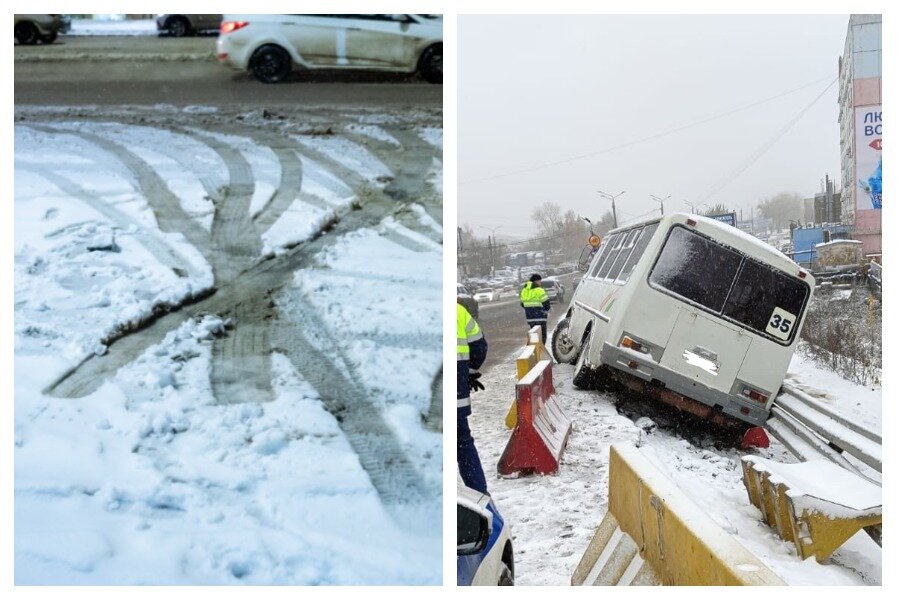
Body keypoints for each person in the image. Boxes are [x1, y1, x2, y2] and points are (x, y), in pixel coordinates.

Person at [457, 301, 488, 494]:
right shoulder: (458, 311)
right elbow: (479, 347)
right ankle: (479, 496)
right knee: (463, 444)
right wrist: (467, 372)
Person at [519, 273, 551, 343]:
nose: (540, 283)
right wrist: (544, 310)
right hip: (540, 317)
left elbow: (522, 303)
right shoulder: (539, 290)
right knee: (542, 337)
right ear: (536, 281)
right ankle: (541, 351)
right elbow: (547, 304)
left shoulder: (524, 290)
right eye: (539, 281)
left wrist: (529, 309)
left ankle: (535, 350)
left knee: (534, 336)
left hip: (530, 318)